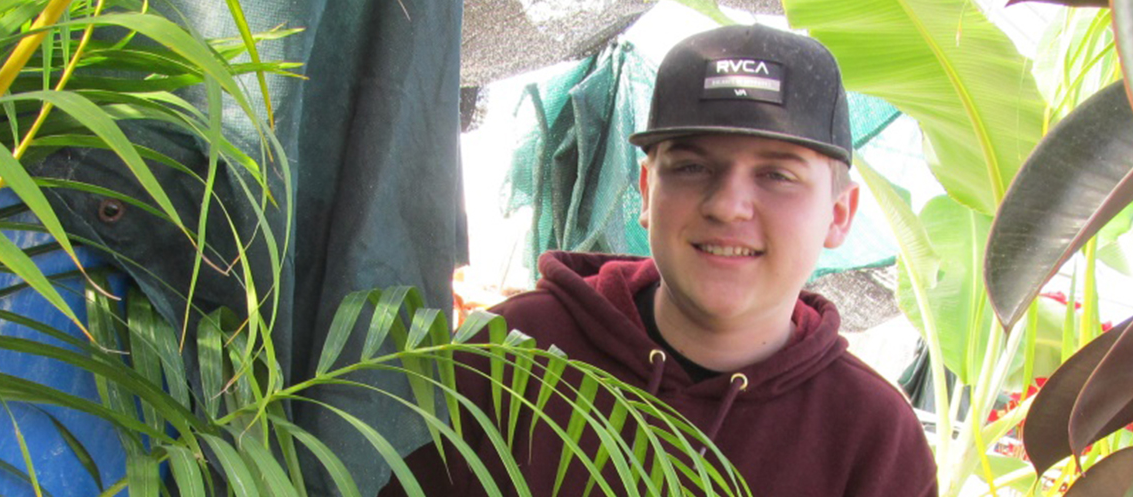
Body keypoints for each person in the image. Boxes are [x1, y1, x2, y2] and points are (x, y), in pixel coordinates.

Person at [384, 24, 937, 496]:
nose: (726, 205)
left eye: (777, 174)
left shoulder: (876, 438)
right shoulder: (510, 350)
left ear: (840, 213)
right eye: (692, 166)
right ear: (646, 191)